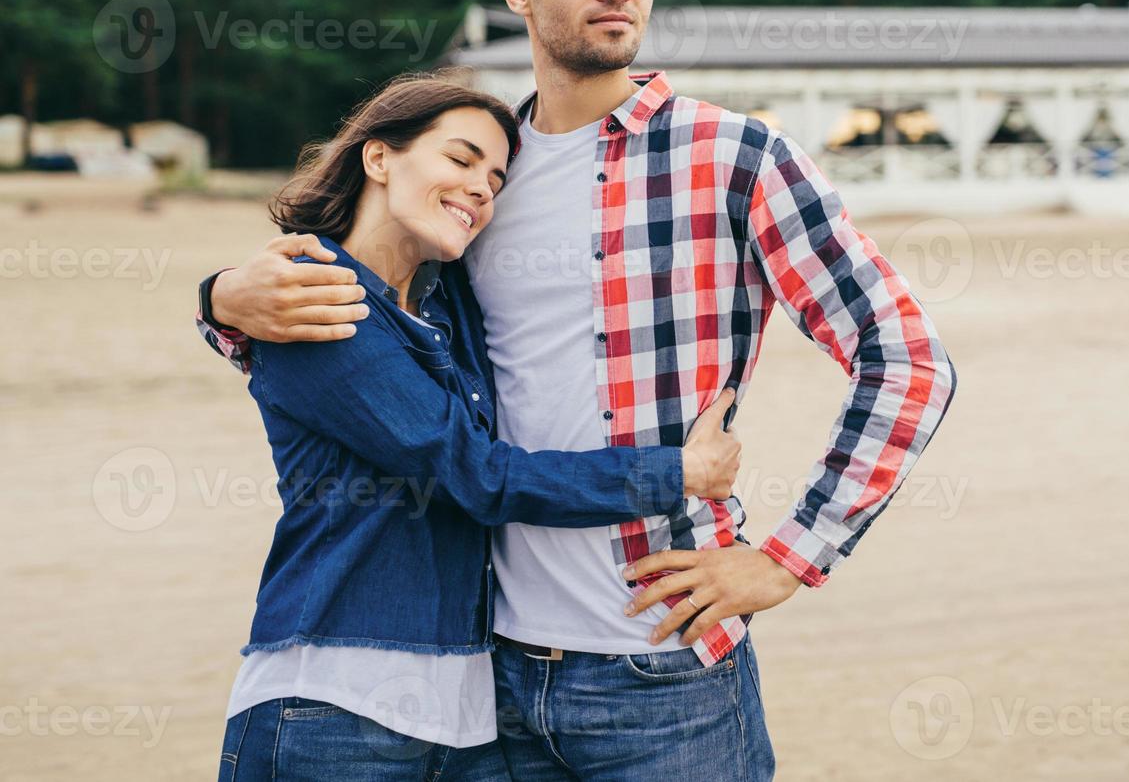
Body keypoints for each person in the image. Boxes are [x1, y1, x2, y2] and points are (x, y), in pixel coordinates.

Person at [200, 0, 957, 780]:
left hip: (664, 672)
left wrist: (791, 559)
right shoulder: (483, 176)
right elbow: (376, 324)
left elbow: (908, 360)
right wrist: (220, 301)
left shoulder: (733, 157)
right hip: (490, 680)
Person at [204, 74, 741, 780]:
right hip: (332, 704)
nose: (482, 188)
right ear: (378, 158)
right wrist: (677, 473)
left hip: (466, 719)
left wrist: (213, 302)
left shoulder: (443, 299)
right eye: (460, 161)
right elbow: (479, 475)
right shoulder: (322, 303)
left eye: (494, 176)